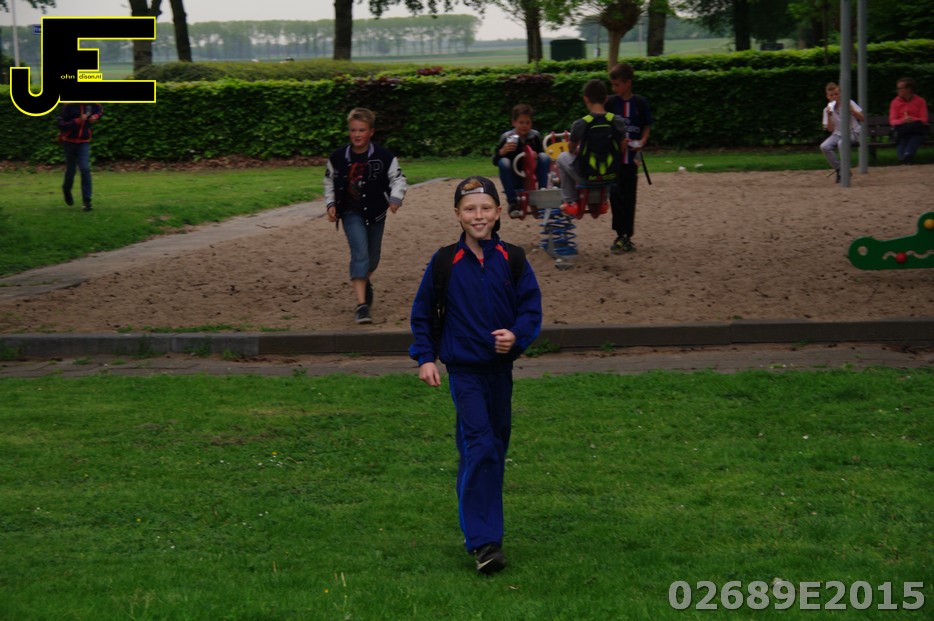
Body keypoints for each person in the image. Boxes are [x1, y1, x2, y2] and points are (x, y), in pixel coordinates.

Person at [409, 176, 542, 575]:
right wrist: (425, 358)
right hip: (464, 371)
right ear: (457, 215)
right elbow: (422, 313)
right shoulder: (444, 262)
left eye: (485, 208)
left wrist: (516, 335)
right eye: (470, 209)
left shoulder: (513, 259)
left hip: (500, 372)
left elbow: (530, 310)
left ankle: (481, 527)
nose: (478, 216)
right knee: (480, 445)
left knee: (490, 447)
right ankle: (485, 542)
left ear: (498, 212)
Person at [324, 107, 407, 325]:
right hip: (350, 212)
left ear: (371, 132)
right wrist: (331, 203)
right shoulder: (337, 158)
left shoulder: (384, 157)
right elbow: (329, 181)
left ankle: (365, 280)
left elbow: (398, 179)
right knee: (360, 253)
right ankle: (362, 306)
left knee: (373, 258)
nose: (357, 134)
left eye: (361, 130)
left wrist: (395, 198)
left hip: (377, 212)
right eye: (353, 130)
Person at [555, 79, 627, 218]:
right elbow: (621, 148)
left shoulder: (580, 123)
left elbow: (571, 149)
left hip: (586, 175)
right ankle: (603, 201)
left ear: (586, 98)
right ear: (606, 98)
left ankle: (571, 201)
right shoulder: (617, 121)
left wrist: (578, 149)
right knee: (608, 160)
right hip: (610, 176)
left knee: (562, 157)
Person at [605, 63, 652, 253]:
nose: (614, 88)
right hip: (614, 161)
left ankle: (627, 236)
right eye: (613, 84)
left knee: (629, 197)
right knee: (615, 196)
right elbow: (603, 128)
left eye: (617, 85)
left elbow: (646, 126)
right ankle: (620, 233)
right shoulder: (610, 103)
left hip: (632, 161)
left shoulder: (640, 103)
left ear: (628, 83)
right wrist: (616, 142)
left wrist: (642, 141)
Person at [493, 103, 552, 218]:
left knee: (544, 157)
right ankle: (513, 202)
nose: (524, 126)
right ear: (514, 122)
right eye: (521, 122)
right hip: (514, 174)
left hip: (531, 172)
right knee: (503, 162)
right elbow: (495, 161)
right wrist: (502, 151)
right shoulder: (507, 137)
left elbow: (541, 155)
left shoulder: (535, 136)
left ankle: (542, 194)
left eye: (527, 123)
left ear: (531, 123)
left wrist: (536, 155)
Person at [57, 103, 103, 212]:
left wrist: (95, 117)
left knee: (85, 169)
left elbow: (99, 109)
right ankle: (66, 190)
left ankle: (87, 201)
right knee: (71, 171)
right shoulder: (68, 106)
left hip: (84, 142)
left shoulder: (91, 104)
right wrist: (77, 121)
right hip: (69, 142)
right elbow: (61, 124)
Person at [820, 82, 864, 182]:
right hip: (837, 133)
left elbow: (862, 118)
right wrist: (829, 115)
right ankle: (840, 169)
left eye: (836, 94)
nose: (834, 97)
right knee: (824, 146)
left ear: (840, 94)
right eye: (831, 95)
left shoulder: (849, 103)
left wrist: (852, 111)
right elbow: (830, 129)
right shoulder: (827, 109)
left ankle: (843, 171)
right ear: (828, 97)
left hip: (853, 132)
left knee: (841, 143)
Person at [889, 77, 929, 165]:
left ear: (909, 89)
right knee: (901, 138)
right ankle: (905, 158)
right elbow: (892, 121)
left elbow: (924, 119)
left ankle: (906, 156)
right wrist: (903, 120)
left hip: (915, 129)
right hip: (902, 130)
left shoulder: (920, 101)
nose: (898, 90)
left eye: (900, 88)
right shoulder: (894, 102)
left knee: (916, 137)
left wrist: (912, 119)